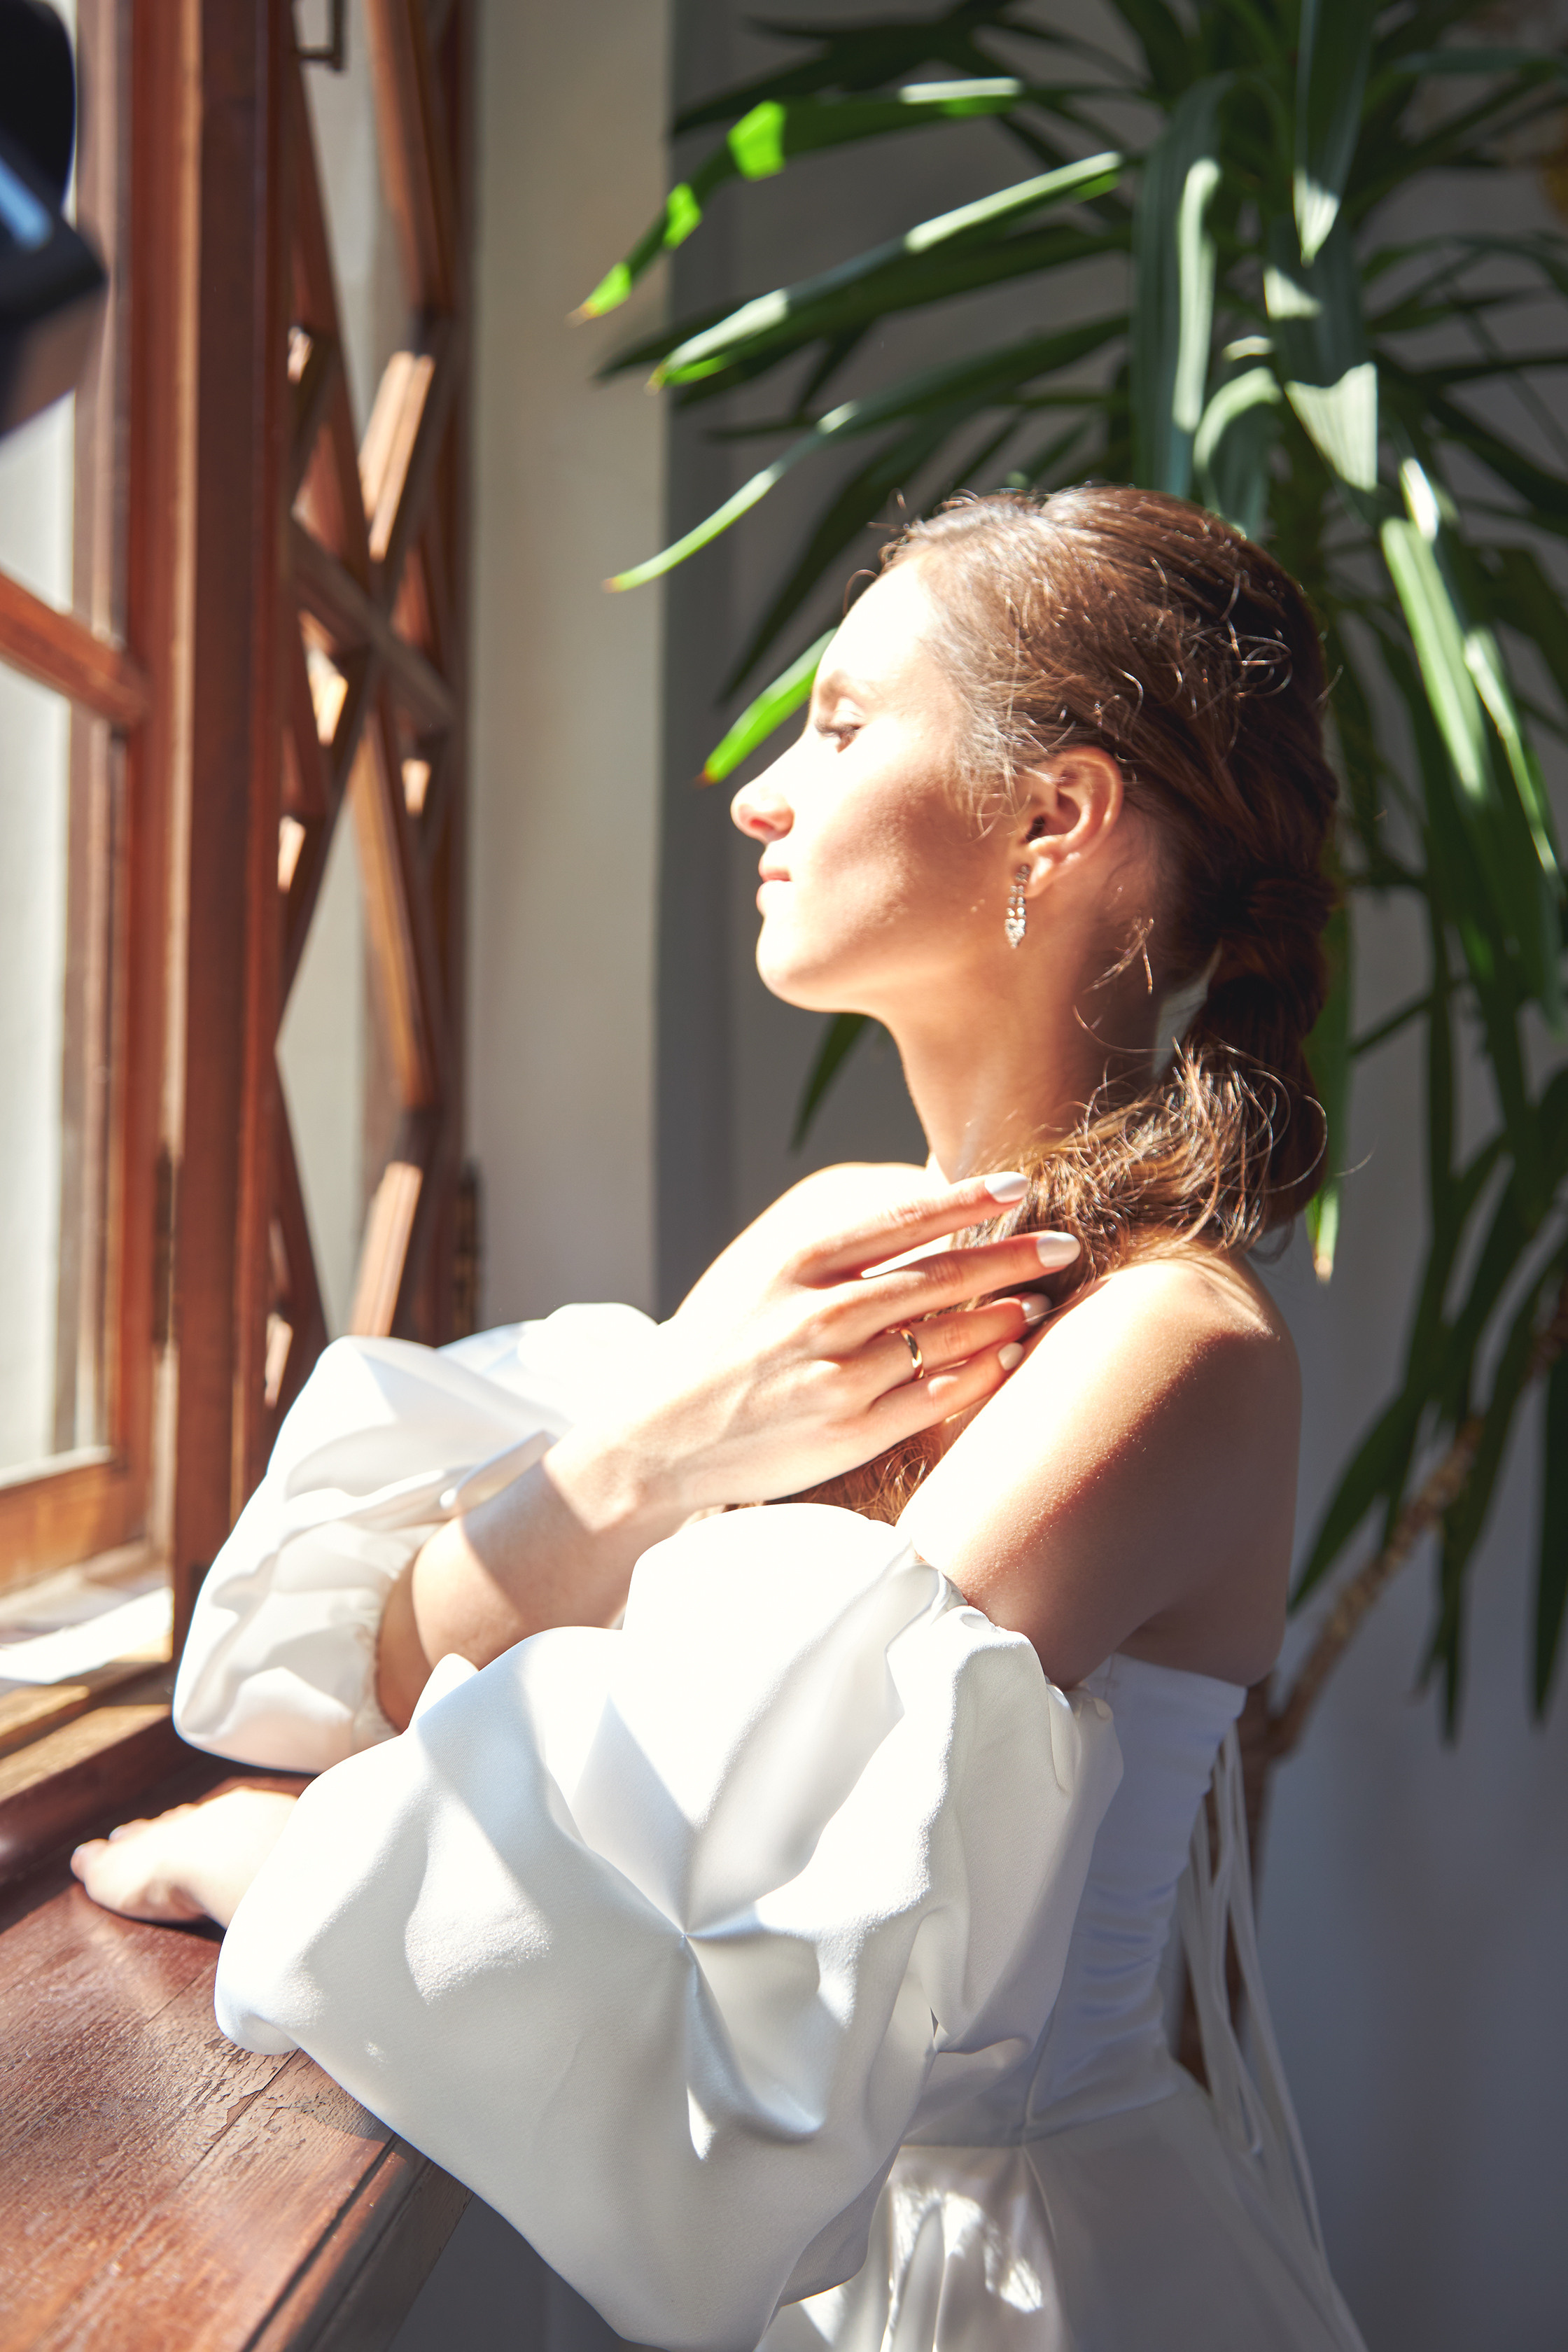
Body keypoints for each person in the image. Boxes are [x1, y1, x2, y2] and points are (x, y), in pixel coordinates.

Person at [72, 486, 1366, 2352]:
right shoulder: (828, 1278)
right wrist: (637, 1455)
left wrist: (294, 1865)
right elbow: (320, 1683)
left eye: (837, 728)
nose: (761, 794)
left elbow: (730, 1954)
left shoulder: (1168, 1351)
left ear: (1057, 816)